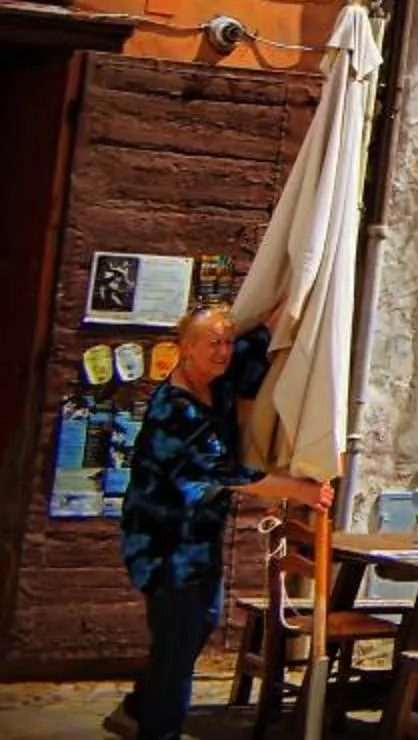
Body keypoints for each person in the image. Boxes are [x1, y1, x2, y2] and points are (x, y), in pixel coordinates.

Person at [112, 305, 329, 740]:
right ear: (185, 349)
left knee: (202, 621)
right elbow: (225, 471)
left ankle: (138, 707)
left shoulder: (218, 382)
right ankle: (158, 729)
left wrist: (289, 301)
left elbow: (257, 345)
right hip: (164, 542)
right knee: (179, 637)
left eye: (226, 342)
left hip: (199, 535)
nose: (223, 351)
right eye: (212, 343)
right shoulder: (174, 409)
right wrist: (297, 489)